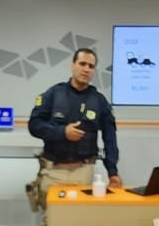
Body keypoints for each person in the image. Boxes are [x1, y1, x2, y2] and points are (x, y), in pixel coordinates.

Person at [27, 47, 120, 209]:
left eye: (91, 66)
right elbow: (34, 125)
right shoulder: (54, 94)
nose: (86, 69)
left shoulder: (99, 101)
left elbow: (110, 138)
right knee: (52, 220)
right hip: (53, 172)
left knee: (80, 220)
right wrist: (62, 132)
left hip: (83, 172)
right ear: (73, 65)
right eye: (82, 64)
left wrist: (113, 172)